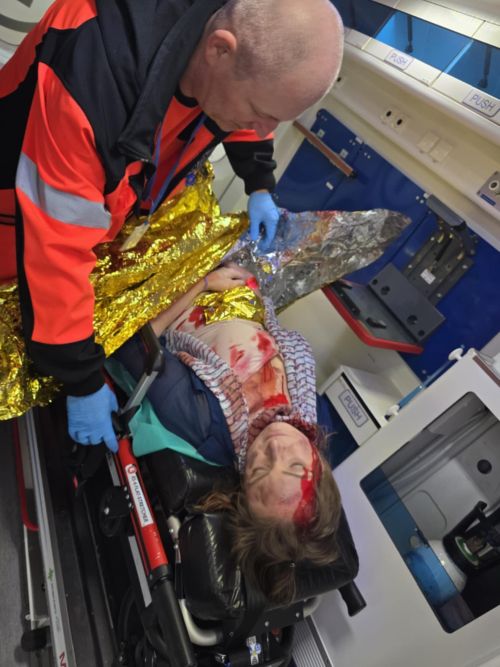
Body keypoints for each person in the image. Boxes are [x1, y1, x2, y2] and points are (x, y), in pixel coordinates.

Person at [0, 0, 344, 450]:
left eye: (276, 120)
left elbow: (251, 107)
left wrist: (259, 181)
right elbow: (55, 248)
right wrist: (81, 379)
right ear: (219, 50)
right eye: (261, 112)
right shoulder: (96, 73)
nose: (264, 128)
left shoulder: (228, 54)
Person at [111, 263, 342, 604]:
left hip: (189, 284)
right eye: (295, 466)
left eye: (259, 470)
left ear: (242, 482)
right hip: (244, 293)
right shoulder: (312, 419)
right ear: (319, 464)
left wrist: (204, 281)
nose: (276, 447)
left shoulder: (204, 422)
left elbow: (133, 343)